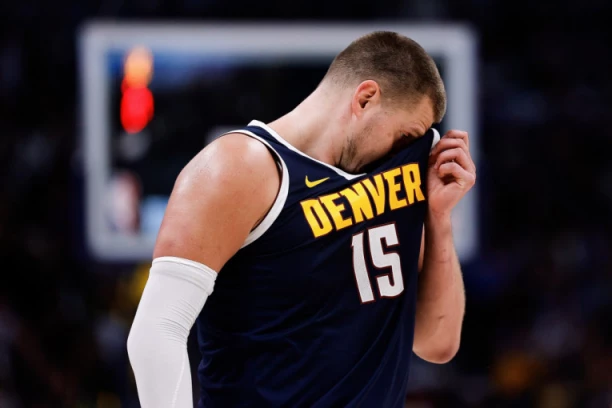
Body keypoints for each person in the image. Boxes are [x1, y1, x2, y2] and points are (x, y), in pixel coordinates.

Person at [127, 31, 476, 407]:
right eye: (405, 136)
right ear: (365, 98)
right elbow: (158, 330)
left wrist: (438, 217)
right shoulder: (239, 167)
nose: (404, 152)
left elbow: (437, 343)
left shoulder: (393, 181)